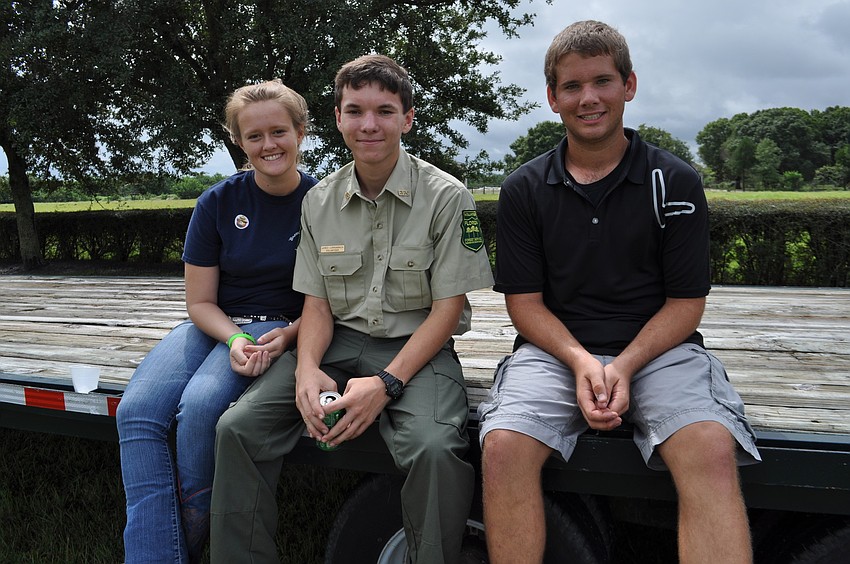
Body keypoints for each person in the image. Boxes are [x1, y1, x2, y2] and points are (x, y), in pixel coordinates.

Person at [477, 20, 762, 564]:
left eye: (602, 81)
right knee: (504, 446)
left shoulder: (674, 180)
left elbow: (686, 304)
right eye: (572, 86)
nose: (588, 98)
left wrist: (625, 365)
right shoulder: (523, 189)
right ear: (552, 98)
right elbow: (525, 306)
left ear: (629, 85)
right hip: (556, 351)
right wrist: (582, 362)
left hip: (659, 351)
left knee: (709, 444)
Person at [209, 54, 494, 564]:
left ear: (407, 118)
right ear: (338, 118)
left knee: (434, 450)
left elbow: (448, 310)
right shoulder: (319, 201)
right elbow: (317, 303)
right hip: (336, 341)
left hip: (417, 348)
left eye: (384, 111)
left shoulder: (447, 198)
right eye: (356, 111)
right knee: (237, 429)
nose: (369, 125)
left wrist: (385, 385)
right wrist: (306, 370)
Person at [116, 79, 318, 563]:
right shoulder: (218, 202)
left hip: (277, 324)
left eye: (278, 131)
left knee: (202, 407)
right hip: (215, 324)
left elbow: (331, 297)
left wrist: (289, 336)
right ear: (239, 141)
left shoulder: (324, 202)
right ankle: (152, 556)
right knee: (135, 412)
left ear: (300, 132)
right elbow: (200, 302)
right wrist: (232, 338)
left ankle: (185, 540)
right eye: (254, 136)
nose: (268, 145)